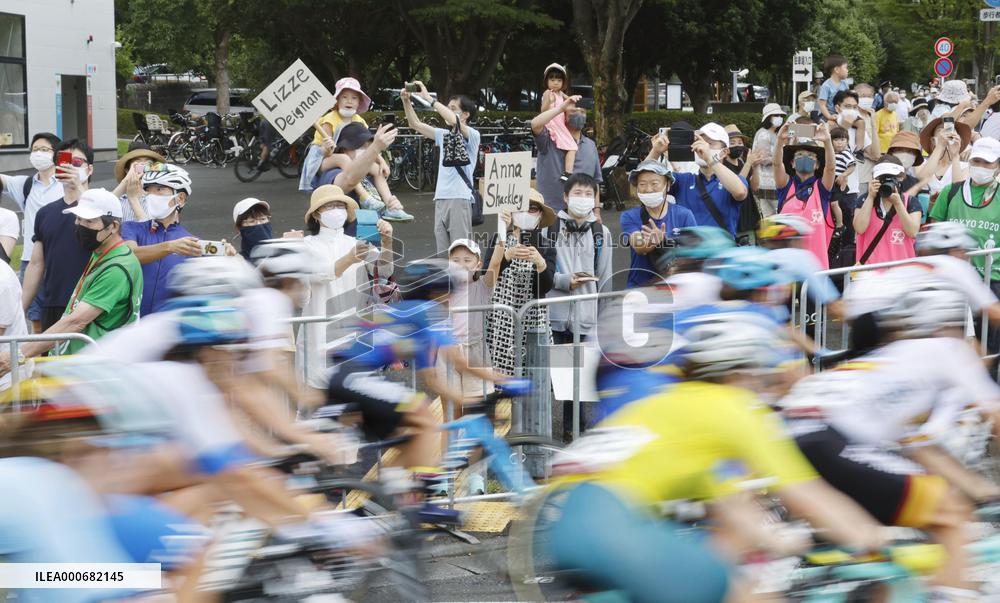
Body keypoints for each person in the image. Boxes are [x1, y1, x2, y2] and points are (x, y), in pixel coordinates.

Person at [539, 313, 890, 603]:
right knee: (744, 595)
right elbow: (805, 494)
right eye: (759, 377)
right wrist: (873, 538)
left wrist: (784, 540)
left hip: (565, 524)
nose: (761, 387)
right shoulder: (732, 407)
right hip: (612, 527)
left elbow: (732, 507)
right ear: (739, 373)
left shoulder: (671, 405)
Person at [0, 189, 142, 369]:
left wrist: (18, 356)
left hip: (96, 373)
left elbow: (76, 321)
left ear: (113, 226)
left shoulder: (118, 267)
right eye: (78, 219)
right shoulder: (101, 252)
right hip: (82, 367)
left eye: (89, 221)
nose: (80, 225)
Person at [297, 184, 394, 390]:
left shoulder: (356, 242)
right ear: (315, 214)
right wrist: (350, 258)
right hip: (318, 335)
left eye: (340, 205)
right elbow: (321, 273)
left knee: (355, 400)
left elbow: (384, 270)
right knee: (315, 404)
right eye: (329, 206)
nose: (336, 210)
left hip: (355, 332)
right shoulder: (305, 245)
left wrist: (387, 242)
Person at [484, 190, 557, 435]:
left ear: (539, 216)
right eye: (523, 208)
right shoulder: (499, 238)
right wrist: (505, 255)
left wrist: (540, 263)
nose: (527, 214)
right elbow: (487, 278)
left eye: (534, 209)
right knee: (501, 382)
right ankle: (502, 439)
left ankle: (531, 439)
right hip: (503, 322)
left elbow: (544, 288)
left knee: (532, 381)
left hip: (533, 323)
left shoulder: (545, 244)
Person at [122, 163, 232, 316]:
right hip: (131, 325)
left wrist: (231, 256)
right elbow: (130, 256)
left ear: (180, 198)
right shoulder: (131, 228)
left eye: (159, 189)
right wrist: (170, 247)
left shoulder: (193, 244)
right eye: (148, 191)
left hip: (170, 329)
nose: (152, 195)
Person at [21, 139, 93, 333]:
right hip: (52, 304)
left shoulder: (101, 204)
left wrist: (79, 186)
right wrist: (20, 309)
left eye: (77, 163)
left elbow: (97, 215)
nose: (71, 167)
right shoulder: (45, 213)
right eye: (65, 162)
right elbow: (36, 264)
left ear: (90, 169)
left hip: (92, 305)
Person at [402, 82, 481, 252]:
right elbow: (414, 124)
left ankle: (464, 280)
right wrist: (406, 101)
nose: (448, 110)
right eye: (448, 107)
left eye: (453, 108)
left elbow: (455, 121)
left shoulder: (473, 135)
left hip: (459, 198)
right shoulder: (443, 135)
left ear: (465, 114)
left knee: (461, 252)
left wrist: (429, 99)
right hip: (440, 198)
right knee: (442, 254)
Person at [1, 132, 63, 329]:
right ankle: (38, 357)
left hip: (58, 260)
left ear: (56, 154)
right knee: (34, 319)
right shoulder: (25, 184)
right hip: (30, 259)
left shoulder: (67, 183)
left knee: (60, 318)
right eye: (35, 150)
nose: (38, 154)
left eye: (44, 150)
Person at [646, 123, 749, 236]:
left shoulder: (735, 180)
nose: (703, 147)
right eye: (700, 142)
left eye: (710, 144)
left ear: (724, 152)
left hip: (721, 251)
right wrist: (655, 152)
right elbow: (646, 182)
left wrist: (710, 158)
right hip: (687, 251)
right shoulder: (684, 180)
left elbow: (740, 192)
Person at [929, 137, 1000, 297]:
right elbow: (935, 233)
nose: (980, 166)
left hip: (992, 281)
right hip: (952, 281)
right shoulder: (950, 191)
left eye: (987, 162)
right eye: (976, 160)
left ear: (998, 165)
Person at [620, 160, 697, 288]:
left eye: (654, 183)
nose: (648, 189)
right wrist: (651, 242)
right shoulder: (629, 216)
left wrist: (665, 242)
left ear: (667, 186)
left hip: (677, 288)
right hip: (641, 289)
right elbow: (638, 246)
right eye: (642, 184)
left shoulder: (684, 215)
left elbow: (694, 251)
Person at [315, 122, 413, 221]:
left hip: (370, 232)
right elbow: (349, 180)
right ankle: (365, 199)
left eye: (367, 148)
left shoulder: (370, 172)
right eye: (359, 147)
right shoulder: (333, 173)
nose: (364, 152)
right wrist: (376, 147)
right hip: (346, 235)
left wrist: (390, 204)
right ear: (344, 149)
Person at [773, 121, 836, 268]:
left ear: (818, 164)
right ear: (793, 163)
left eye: (810, 155)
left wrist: (827, 142)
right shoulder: (786, 185)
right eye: (799, 155)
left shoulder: (821, 188)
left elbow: (831, 168)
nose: (804, 157)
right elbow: (776, 164)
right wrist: (779, 141)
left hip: (816, 266)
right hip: (786, 266)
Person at [530, 91, 603, 213]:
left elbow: (594, 181)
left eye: (582, 111)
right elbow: (535, 125)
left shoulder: (591, 146)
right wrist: (559, 108)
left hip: (583, 214)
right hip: (551, 213)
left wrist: (597, 211)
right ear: (564, 115)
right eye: (573, 111)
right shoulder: (549, 139)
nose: (578, 113)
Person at [299, 76, 371, 192]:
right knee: (343, 159)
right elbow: (326, 150)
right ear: (337, 100)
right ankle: (364, 193)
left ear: (359, 102)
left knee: (375, 167)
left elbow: (368, 145)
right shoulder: (329, 119)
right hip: (323, 157)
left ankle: (390, 202)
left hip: (351, 156)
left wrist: (381, 161)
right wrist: (327, 148)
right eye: (344, 97)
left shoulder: (359, 121)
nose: (349, 100)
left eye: (354, 98)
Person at [854, 156, 923, 265]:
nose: (887, 181)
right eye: (882, 177)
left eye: (892, 177)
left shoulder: (910, 202)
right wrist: (871, 197)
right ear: (874, 178)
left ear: (902, 177)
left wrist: (898, 204)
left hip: (902, 272)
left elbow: (913, 232)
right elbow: (859, 228)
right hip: (870, 273)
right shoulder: (864, 200)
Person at [539, 63, 578, 180]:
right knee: (572, 146)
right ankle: (568, 173)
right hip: (553, 124)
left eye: (559, 80)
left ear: (563, 82)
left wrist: (573, 99)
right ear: (547, 81)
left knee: (572, 147)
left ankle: (567, 172)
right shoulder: (547, 93)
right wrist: (549, 101)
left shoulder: (560, 93)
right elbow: (543, 111)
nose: (555, 82)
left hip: (561, 124)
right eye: (552, 79)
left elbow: (568, 100)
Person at [110, 142, 164, 222]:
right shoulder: (119, 199)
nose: (143, 165)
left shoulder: (159, 197)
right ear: (127, 169)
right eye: (137, 163)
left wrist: (133, 199)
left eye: (148, 163)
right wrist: (126, 180)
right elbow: (103, 207)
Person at [751, 103, 787, 214]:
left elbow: (802, 132)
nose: (779, 118)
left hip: (771, 182)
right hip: (767, 183)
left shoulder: (775, 133)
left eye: (781, 116)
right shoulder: (764, 134)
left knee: (770, 219)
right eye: (775, 115)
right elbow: (762, 158)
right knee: (776, 217)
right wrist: (781, 159)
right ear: (767, 118)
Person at [818, 54, 850, 121]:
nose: (847, 70)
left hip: (842, 115)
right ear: (837, 69)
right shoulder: (826, 86)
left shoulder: (845, 84)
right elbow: (822, 105)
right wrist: (829, 116)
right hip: (829, 117)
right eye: (846, 68)